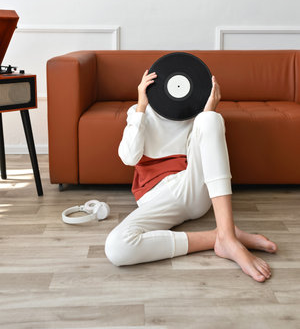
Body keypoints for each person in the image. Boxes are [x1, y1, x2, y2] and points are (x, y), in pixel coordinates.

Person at [105, 69, 278, 282]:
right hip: (156, 198)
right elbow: (129, 157)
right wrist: (141, 107)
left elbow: (204, 147)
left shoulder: (193, 114)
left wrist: (207, 111)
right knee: (117, 248)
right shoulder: (137, 112)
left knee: (211, 119)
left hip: (191, 188)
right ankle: (223, 235)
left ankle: (227, 236)